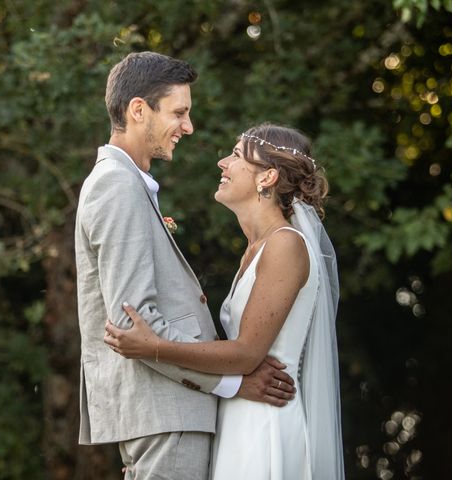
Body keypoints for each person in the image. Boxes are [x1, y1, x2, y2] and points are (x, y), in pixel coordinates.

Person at [75, 53, 297, 480]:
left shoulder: (128, 183)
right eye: (179, 112)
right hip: (166, 413)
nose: (189, 127)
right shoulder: (116, 185)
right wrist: (232, 384)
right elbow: (134, 325)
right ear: (138, 110)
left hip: (171, 413)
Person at [105, 123, 345, 479]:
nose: (222, 163)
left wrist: (154, 347)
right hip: (240, 415)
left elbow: (247, 353)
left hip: (265, 424)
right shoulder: (256, 249)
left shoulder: (286, 245)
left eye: (235, 155)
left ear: (267, 178)